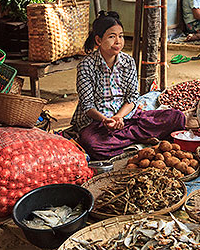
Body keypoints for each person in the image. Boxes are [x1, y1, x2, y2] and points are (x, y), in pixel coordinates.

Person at [71, 11, 186, 160]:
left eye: (121, 36)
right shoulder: (86, 66)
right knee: (92, 144)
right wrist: (106, 120)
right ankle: (137, 139)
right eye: (112, 36)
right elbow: (88, 106)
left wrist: (119, 117)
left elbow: (131, 98)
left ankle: (126, 140)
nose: (118, 41)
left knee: (177, 117)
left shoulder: (128, 62)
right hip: (98, 122)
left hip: (126, 118)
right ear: (98, 40)